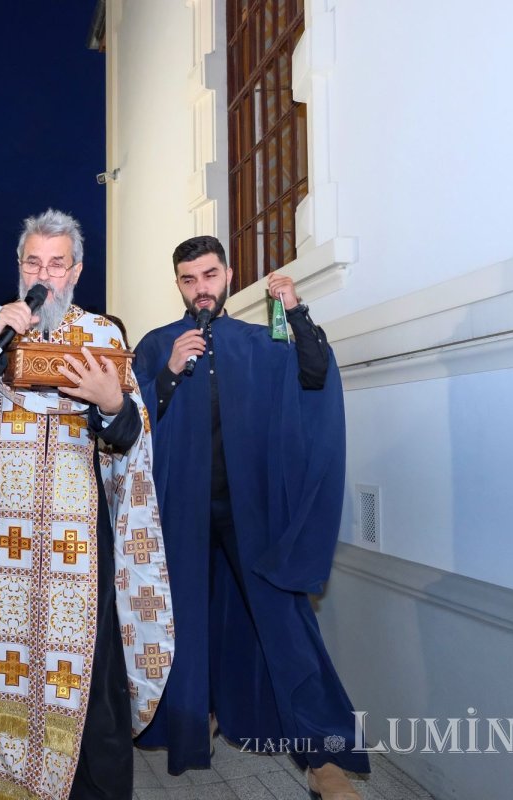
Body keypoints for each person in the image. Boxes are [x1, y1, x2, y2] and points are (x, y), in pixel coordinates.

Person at [0, 209, 175, 800]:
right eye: (34, 262)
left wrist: (114, 406)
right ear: (20, 267)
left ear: (76, 271)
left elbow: (133, 445)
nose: (45, 274)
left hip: (79, 554)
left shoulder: (104, 335)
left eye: (57, 264)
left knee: (91, 675)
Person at [132, 235, 367, 799]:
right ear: (179, 285)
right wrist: (166, 373)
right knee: (185, 620)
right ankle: (199, 720)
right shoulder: (157, 344)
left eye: (209, 276)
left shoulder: (261, 342)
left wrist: (296, 311)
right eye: (189, 280)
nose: (201, 289)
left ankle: (322, 759)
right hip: (179, 514)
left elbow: (313, 377)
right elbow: (126, 419)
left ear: (228, 275)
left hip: (251, 516)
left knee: (287, 629)